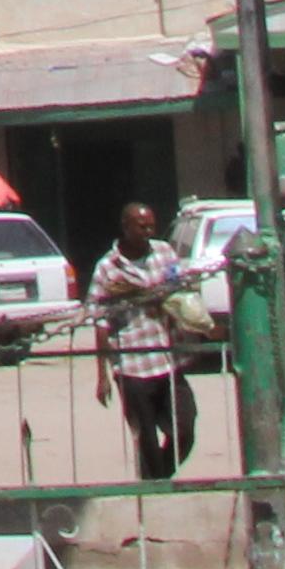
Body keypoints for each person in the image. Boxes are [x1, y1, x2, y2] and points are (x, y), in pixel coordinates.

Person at [90, 204, 195, 481]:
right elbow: (100, 323)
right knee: (145, 438)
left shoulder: (164, 253)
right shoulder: (108, 269)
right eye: (142, 226)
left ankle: (157, 480)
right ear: (126, 227)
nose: (149, 232)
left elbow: (181, 290)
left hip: (168, 360)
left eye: (151, 226)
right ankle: (155, 493)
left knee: (185, 428)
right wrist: (102, 375)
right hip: (133, 367)